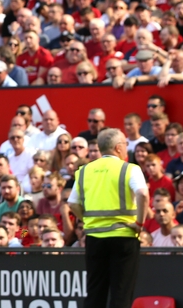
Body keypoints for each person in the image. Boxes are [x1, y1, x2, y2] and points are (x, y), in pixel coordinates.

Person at [68, 128, 149, 308]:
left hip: (95, 239)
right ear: (119, 147)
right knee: (121, 293)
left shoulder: (84, 171)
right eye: (125, 145)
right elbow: (143, 193)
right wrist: (139, 223)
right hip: (124, 236)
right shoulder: (129, 169)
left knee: (95, 293)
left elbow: (72, 203)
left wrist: (87, 220)